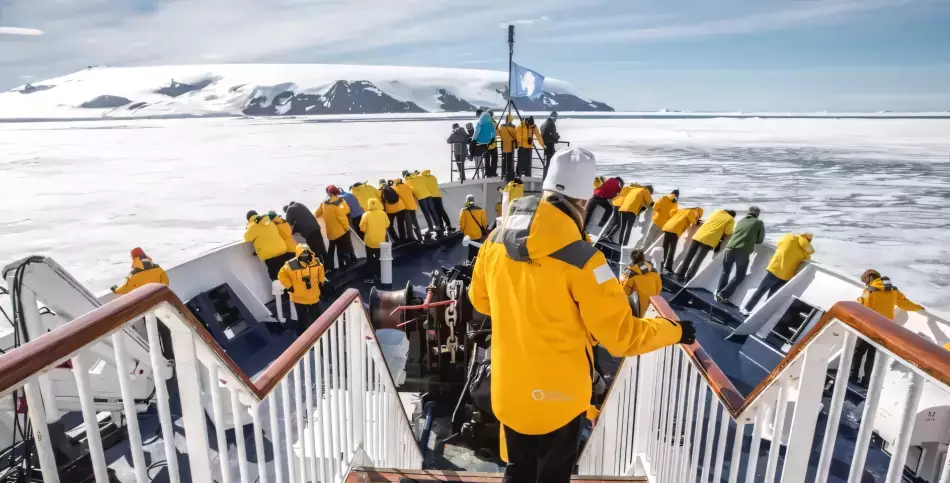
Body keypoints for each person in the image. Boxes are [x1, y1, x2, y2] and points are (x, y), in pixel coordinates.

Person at [469, 147, 694, 483]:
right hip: (558, 398)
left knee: (519, 468)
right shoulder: (586, 262)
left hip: (509, 387)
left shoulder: (495, 242)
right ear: (584, 202)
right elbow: (621, 338)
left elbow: (481, 302)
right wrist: (673, 330)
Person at [850, 269, 924, 386]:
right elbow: (905, 304)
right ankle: (866, 381)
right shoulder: (894, 290)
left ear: (869, 278)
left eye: (865, 281)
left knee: (858, 352)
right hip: (884, 329)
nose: (866, 284)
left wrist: (859, 300)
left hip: (869, 327)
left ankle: (852, 377)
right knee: (872, 355)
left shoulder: (869, 291)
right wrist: (919, 307)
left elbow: (861, 305)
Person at [741, 233, 814, 315]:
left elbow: (779, 243)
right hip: (786, 276)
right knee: (772, 297)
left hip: (775, 269)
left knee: (761, 290)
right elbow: (806, 260)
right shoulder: (806, 251)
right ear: (809, 241)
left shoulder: (790, 238)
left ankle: (747, 309)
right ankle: (760, 315)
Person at [716, 206, 765, 304]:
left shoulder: (741, 220)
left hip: (730, 248)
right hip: (742, 250)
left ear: (748, 213)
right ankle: (723, 294)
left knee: (725, 271)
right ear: (758, 215)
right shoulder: (759, 223)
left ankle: (719, 292)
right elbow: (760, 240)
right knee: (740, 275)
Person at [277, 244, 326, 335]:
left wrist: (321, 282)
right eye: (302, 254)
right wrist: (289, 286)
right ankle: (301, 335)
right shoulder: (290, 265)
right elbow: (281, 275)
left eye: (307, 253)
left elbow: (321, 273)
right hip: (299, 298)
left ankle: (321, 333)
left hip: (314, 296)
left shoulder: (317, 263)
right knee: (302, 318)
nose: (305, 256)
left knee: (318, 316)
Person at [676, 209, 736, 281]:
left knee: (689, 255)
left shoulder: (716, 212)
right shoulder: (731, 219)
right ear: (732, 215)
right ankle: (688, 279)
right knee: (698, 260)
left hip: (698, 235)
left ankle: (679, 274)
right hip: (709, 240)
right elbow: (728, 232)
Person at [315, 185, 357, 271]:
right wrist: (346, 228)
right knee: (342, 249)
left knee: (331, 250)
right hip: (341, 231)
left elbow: (317, 214)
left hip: (330, 232)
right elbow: (343, 215)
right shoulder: (339, 202)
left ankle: (330, 267)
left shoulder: (324, 203)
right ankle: (343, 266)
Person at [244, 210, 293, 280]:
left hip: (270, 254)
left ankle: (279, 290)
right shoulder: (270, 223)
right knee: (285, 272)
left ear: (249, 219)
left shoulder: (253, 226)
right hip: (281, 250)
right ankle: (289, 289)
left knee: (275, 275)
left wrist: (248, 226)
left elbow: (247, 238)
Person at [620, 249, 663, 317]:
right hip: (650, 307)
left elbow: (623, 292)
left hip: (636, 308)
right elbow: (658, 289)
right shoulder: (653, 271)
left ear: (631, 258)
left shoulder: (629, 273)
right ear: (643, 257)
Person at [660, 207, 703, 273]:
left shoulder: (682, 209)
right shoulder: (691, 212)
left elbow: (672, 211)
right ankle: (668, 267)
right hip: (675, 229)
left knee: (665, 248)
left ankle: (661, 264)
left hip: (667, 227)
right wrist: (696, 220)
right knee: (672, 250)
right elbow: (694, 222)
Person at [360, 198, 390, 284]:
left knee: (371, 260)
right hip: (381, 241)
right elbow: (387, 224)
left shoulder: (366, 215)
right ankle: (381, 276)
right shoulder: (383, 213)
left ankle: (371, 278)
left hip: (370, 242)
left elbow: (362, 228)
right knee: (380, 259)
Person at [459, 194, 489, 260]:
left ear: (466, 201)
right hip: (478, 234)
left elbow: (462, 223)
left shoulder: (463, 211)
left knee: (470, 249)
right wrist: (483, 230)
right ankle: (477, 260)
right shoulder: (480, 210)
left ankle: (471, 262)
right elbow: (484, 222)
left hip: (468, 234)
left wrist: (461, 231)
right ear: (474, 201)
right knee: (477, 247)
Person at [498, 114, 518, 180]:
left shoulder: (502, 126)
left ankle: (503, 174)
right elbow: (516, 136)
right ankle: (509, 174)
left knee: (504, 161)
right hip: (511, 147)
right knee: (510, 162)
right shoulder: (514, 127)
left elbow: (499, 134)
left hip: (503, 146)